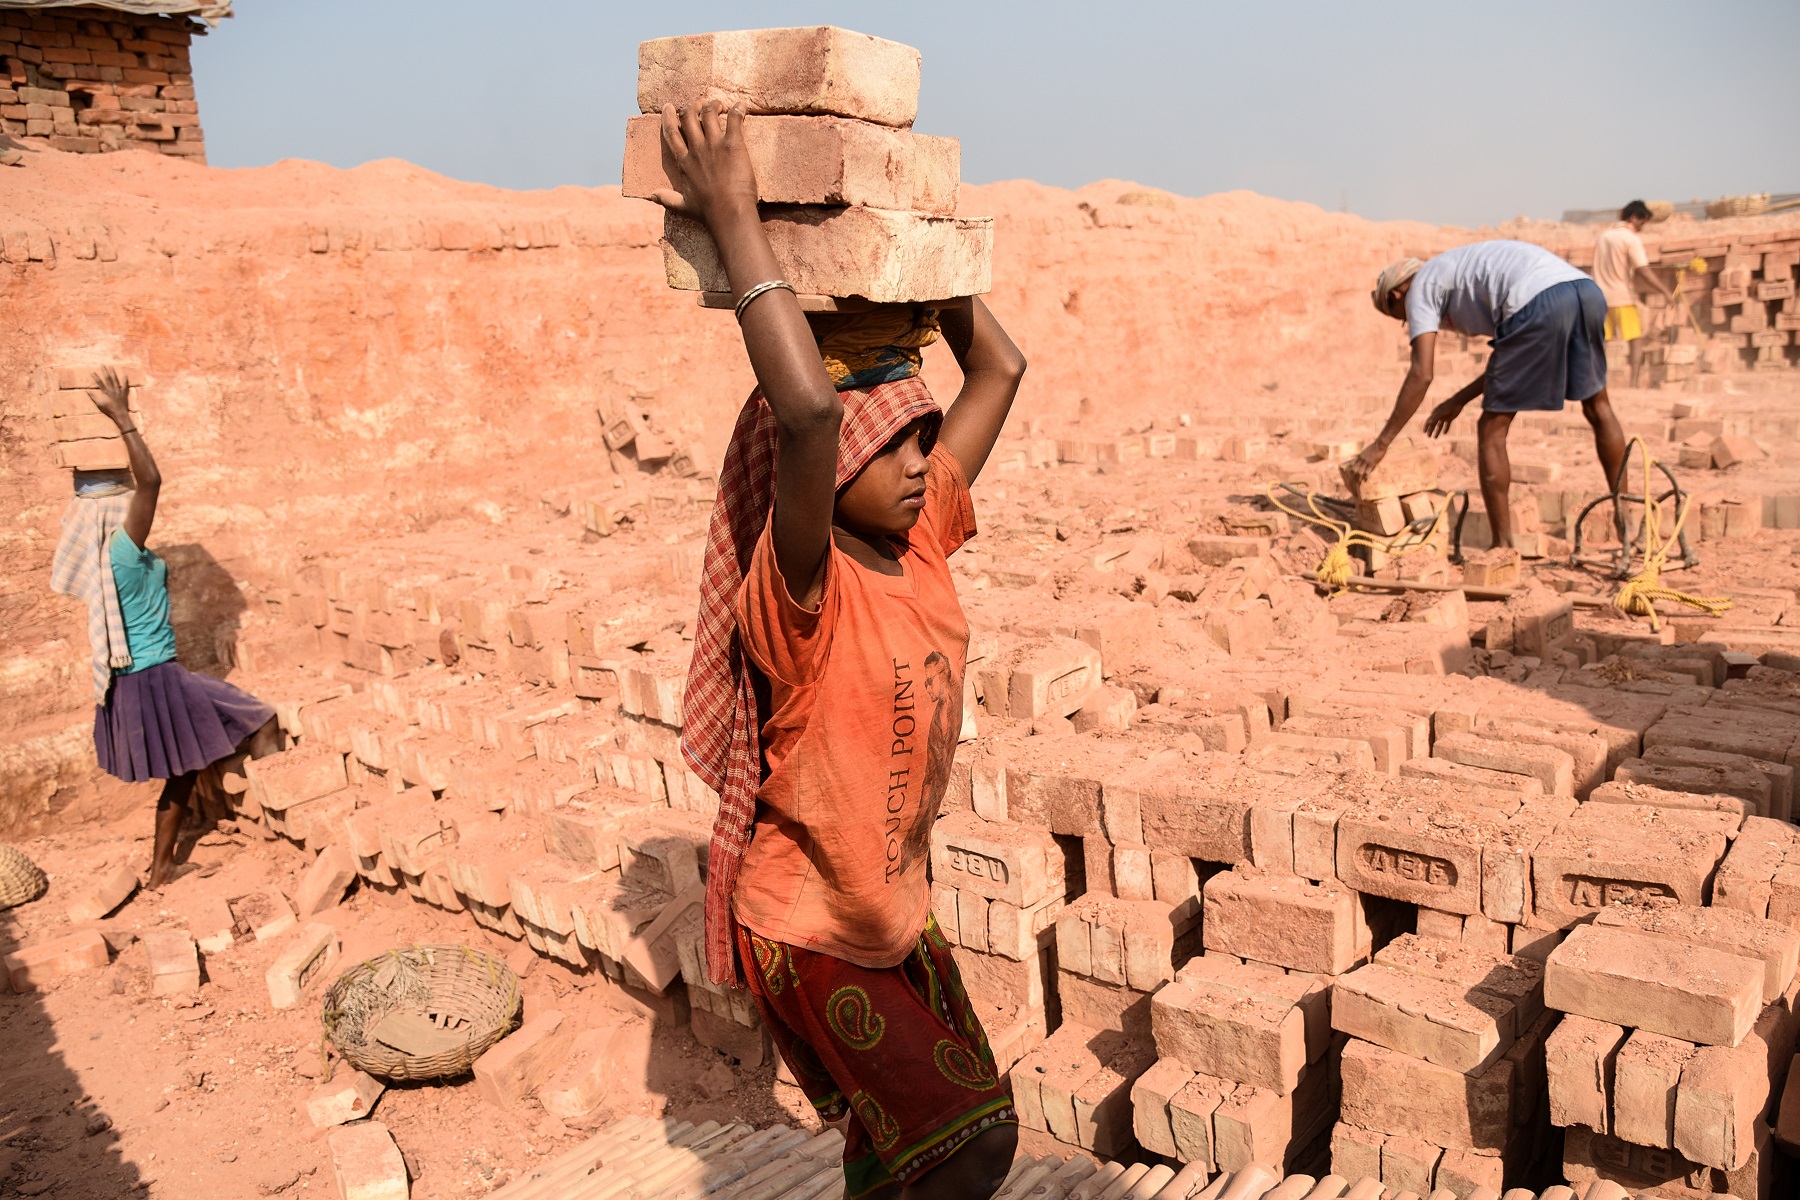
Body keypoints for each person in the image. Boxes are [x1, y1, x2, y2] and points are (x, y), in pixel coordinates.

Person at [662, 101, 1026, 1199]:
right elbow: (811, 412)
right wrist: (738, 220)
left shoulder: (920, 540)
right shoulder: (803, 590)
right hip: (810, 924)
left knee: (896, 1149)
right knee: (977, 1147)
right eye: (898, 440)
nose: (923, 457)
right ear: (829, 469)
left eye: (928, 433)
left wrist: (921, 240)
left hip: (887, 913)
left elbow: (1000, 370)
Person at [50, 367, 276, 889]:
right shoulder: (123, 555)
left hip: (136, 682)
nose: (140, 510)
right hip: (158, 679)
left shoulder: (106, 562)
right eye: (129, 504)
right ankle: (280, 814)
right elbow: (152, 480)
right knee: (262, 719)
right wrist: (122, 418)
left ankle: (161, 868)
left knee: (183, 768)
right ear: (117, 512)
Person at [1345, 241, 1627, 550]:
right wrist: (1458, 400)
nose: (1411, 322)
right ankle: (1628, 526)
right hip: (1585, 292)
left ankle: (1501, 547)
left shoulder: (1422, 288)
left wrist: (1379, 445)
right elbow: (1510, 354)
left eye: (1401, 316)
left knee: (1491, 429)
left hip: (1538, 300)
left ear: (1396, 295)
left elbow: (1421, 374)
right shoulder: (1458, 270)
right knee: (1599, 407)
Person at [1593, 200, 1675, 387]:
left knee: (1602, 341)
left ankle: (1596, 384)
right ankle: (1634, 383)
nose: (1642, 227)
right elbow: (1643, 269)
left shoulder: (1603, 236)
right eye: (1642, 222)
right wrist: (1665, 291)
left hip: (1598, 296)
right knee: (1635, 339)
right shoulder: (1630, 239)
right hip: (1621, 297)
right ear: (1633, 218)